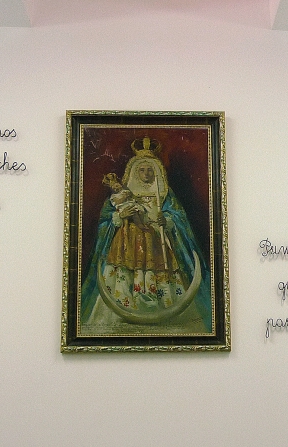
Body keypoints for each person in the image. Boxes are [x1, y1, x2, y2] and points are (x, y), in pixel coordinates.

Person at [80, 137, 212, 334]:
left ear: (156, 172)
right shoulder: (123, 192)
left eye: (150, 170)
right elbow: (106, 219)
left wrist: (167, 220)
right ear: (134, 172)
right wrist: (120, 216)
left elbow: (178, 217)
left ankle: (161, 310)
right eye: (141, 170)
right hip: (127, 241)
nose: (146, 174)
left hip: (157, 242)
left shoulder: (165, 193)